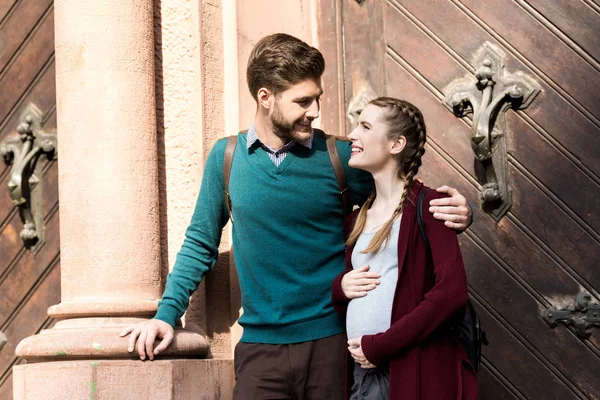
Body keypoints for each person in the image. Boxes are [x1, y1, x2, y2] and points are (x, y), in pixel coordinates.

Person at [120, 33, 473, 399]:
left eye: (317, 98)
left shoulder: (338, 157)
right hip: (260, 349)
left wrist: (462, 211)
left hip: (332, 344)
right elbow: (199, 243)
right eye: (303, 101)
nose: (315, 110)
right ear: (265, 97)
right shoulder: (226, 160)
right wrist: (166, 314)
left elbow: (406, 198)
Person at [331, 97, 478, 400]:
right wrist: (340, 288)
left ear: (396, 144)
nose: (353, 135)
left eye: (365, 126)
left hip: (412, 371)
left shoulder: (430, 206)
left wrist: (382, 345)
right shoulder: (356, 220)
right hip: (363, 372)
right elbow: (346, 285)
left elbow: (451, 292)